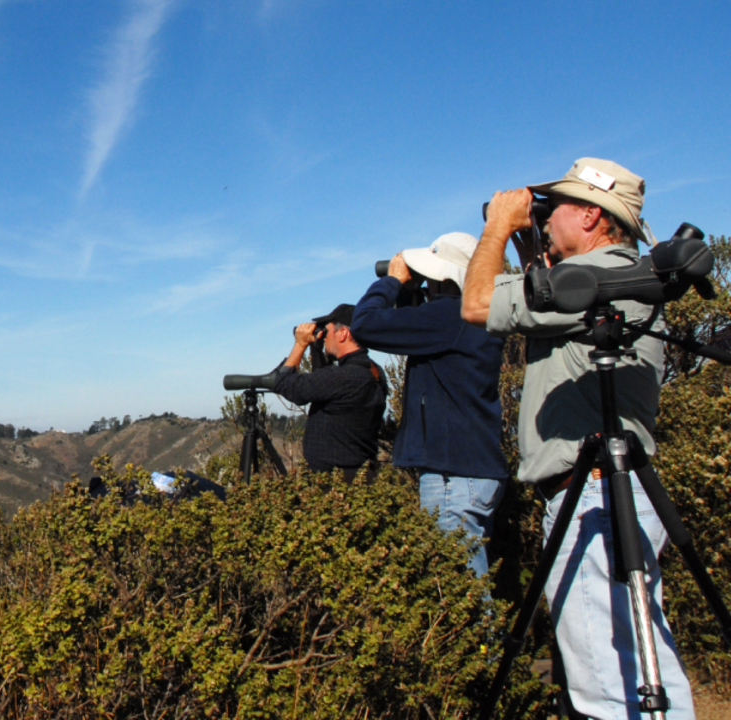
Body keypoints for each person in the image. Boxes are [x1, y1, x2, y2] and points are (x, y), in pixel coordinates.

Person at [461, 158, 692, 719]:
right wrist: (532, 243)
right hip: (613, 488)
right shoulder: (618, 276)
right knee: (640, 660)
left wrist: (498, 226)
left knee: (606, 681)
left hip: (592, 497)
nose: (546, 217)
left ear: (590, 215)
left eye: (556, 206)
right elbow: (538, 294)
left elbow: (478, 302)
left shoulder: (590, 280)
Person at [350, 232, 506, 579]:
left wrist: (392, 282)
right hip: (473, 467)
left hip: (453, 473)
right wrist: (413, 294)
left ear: (445, 277)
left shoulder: (451, 315)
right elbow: (416, 332)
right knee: (467, 584)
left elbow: (365, 324)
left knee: (456, 590)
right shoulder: (474, 317)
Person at [271, 303, 388, 479]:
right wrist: (317, 349)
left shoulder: (345, 376)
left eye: (327, 331)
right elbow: (325, 387)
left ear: (343, 333)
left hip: (335, 482)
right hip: (362, 475)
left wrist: (300, 344)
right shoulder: (374, 371)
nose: (324, 337)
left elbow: (285, 384)